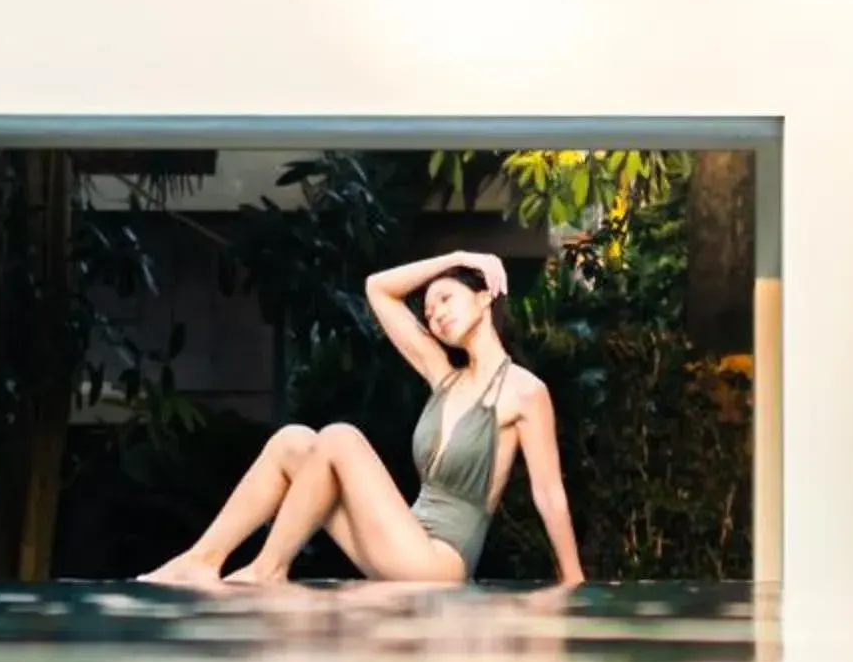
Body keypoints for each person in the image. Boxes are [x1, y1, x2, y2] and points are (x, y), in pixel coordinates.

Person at [144, 248, 585, 588]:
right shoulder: (444, 378)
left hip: (440, 562)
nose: (437, 316)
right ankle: (203, 559)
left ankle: (269, 568)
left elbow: (550, 495)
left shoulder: (525, 391)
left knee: (340, 438)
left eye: (446, 298)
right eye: (429, 312)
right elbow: (378, 289)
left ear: (485, 294)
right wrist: (456, 259)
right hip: (401, 542)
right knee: (294, 441)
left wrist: (573, 582)